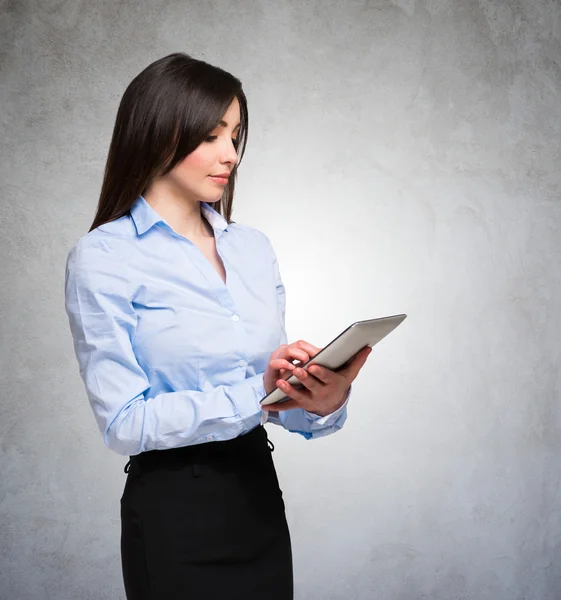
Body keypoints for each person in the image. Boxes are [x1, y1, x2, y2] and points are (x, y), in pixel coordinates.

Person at [64, 52, 371, 600]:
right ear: (159, 132)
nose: (230, 154)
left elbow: (275, 406)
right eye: (211, 135)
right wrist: (256, 393)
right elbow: (124, 424)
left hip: (257, 496)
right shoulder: (103, 256)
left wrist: (319, 399)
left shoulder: (252, 249)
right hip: (173, 514)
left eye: (235, 135)